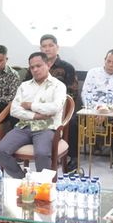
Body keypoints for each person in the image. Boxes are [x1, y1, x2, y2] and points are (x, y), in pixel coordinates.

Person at [0, 52, 66, 178]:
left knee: (42, 154)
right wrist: (35, 116)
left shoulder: (58, 86)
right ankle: (23, 181)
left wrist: (30, 106)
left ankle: (43, 188)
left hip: (47, 127)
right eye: (32, 67)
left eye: (39, 66)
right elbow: (14, 110)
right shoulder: (24, 86)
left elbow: (55, 108)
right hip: (24, 126)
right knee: (0, 151)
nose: (35, 70)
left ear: (48, 65)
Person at [24, 34, 81, 170]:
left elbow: (72, 92)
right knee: (17, 116)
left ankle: (72, 157)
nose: (47, 49)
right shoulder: (34, 67)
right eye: (44, 46)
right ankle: (28, 149)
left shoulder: (67, 67)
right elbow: (25, 88)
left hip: (61, 107)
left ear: (57, 47)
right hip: (36, 106)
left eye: (51, 46)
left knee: (73, 122)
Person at [80, 48, 113, 177]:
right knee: (74, 122)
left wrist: (105, 111)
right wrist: (97, 111)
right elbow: (85, 93)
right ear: (105, 60)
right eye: (108, 61)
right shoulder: (93, 72)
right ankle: (74, 159)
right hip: (91, 110)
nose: (110, 65)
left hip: (110, 113)